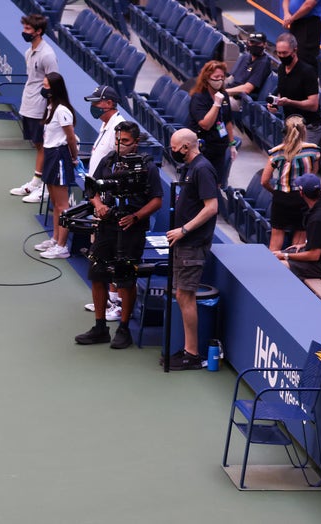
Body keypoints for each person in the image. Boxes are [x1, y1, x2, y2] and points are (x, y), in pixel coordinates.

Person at [75, 122, 163, 349]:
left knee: (126, 278)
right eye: (117, 140)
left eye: (125, 141)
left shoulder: (147, 167)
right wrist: (98, 205)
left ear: (136, 143)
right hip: (106, 226)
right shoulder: (108, 161)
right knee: (97, 274)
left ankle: (124, 329)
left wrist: (136, 217)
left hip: (131, 229)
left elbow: (156, 200)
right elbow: (91, 188)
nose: (120, 145)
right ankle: (100, 327)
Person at [165, 129, 219, 371]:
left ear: (186, 147)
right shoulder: (190, 168)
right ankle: (189, 349)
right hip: (183, 243)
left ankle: (192, 354)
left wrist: (184, 230)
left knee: (186, 296)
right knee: (181, 295)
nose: (172, 151)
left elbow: (211, 207)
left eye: (175, 147)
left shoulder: (202, 168)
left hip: (192, 243)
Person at [80, 85, 128, 320]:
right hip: (98, 197)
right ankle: (108, 300)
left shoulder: (118, 128)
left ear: (109, 103)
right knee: (100, 252)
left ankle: (116, 303)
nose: (94, 107)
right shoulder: (106, 126)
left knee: (112, 253)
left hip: (109, 202)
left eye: (97, 103)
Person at [10, 13, 60, 203]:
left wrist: (50, 110)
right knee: (38, 145)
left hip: (41, 107)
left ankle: (45, 188)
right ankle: (36, 182)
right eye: (24, 28)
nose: (24, 32)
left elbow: (54, 83)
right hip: (29, 104)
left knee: (45, 146)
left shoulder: (48, 55)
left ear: (39, 31)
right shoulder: (29, 51)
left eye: (28, 29)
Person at [33, 72, 78, 260]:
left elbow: (70, 138)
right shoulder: (51, 106)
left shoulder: (62, 111)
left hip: (60, 156)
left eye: (46, 85)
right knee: (54, 203)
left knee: (62, 205)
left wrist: (74, 158)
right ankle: (55, 238)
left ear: (55, 88)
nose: (44, 88)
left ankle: (62, 246)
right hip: (51, 155)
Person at [260, 115, 321, 251]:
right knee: (299, 239)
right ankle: (292, 268)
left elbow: (264, 180)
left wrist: (275, 191)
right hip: (303, 198)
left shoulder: (276, 152)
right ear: (304, 130)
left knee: (276, 239)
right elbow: (313, 175)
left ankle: (272, 269)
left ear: (285, 131)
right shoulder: (313, 150)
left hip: (281, 197)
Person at [274, 173, 321, 279]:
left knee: (278, 265)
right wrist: (305, 245)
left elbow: (314, 255)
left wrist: (286, 256)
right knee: (277, 254)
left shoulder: (317, 218)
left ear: (301, 192)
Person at [187, 60, 237, 188]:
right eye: (216, 77)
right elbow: (205, 124)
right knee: (201, 184)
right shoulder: (198, 98)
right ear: (207, 78)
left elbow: (228, 121)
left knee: (216, 184)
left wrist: (232, 144)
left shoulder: (224, 95)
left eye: (222, 77)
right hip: (203, 148)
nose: (219, 80)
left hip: (219, 147)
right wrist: (216, 104)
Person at [270, 33, 321, 146]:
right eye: (279, 53)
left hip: (308, 127)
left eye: (285, 53)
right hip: (290, 125)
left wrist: (290, 102)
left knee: (303, 160)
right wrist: (275, 103)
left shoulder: (307, 72)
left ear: (294, 51)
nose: (281, 56)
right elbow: (282, 92)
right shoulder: (281, 69)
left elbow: (313, 105)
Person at [224, 33, 273, 110]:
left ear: (264, 45)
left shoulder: (263, 63)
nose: (254, 45)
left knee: (217, 102)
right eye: (252, 43)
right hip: (229, 91)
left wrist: (224, 92)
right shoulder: (245, 57)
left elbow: (247, 89)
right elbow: (231, 78)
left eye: (258, 43)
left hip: (241, 100)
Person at [282, 0, 321, 69]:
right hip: (295, 22)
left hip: (309, 24)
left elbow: (309, 5)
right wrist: (286, 13)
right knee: (292, 54)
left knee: (304, 58)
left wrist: (291, 19)